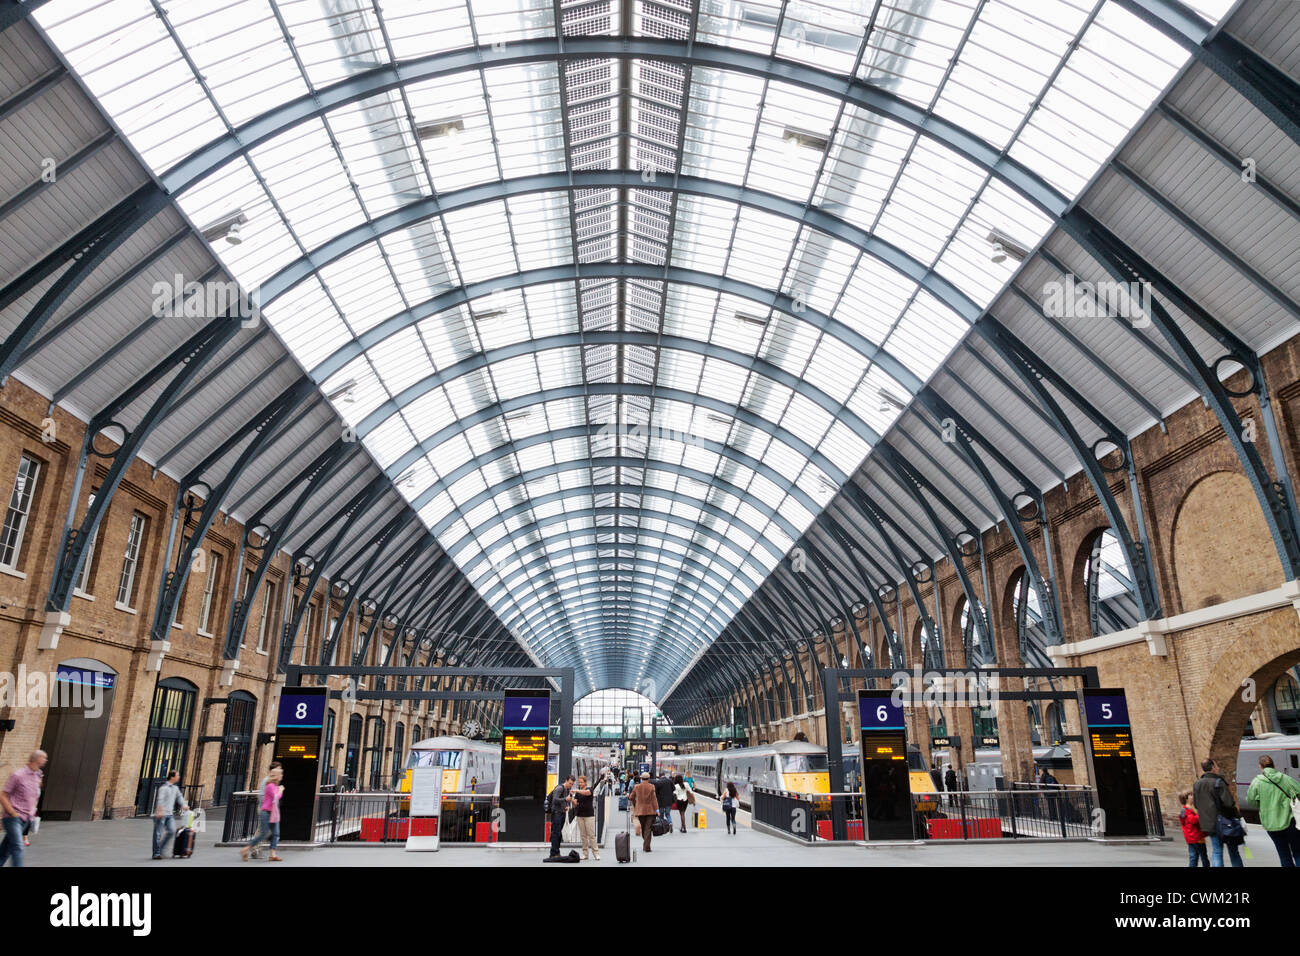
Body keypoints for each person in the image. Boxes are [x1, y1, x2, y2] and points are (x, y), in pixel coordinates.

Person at [1246, 754, 1300, 867]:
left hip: (1270, 823)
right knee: (1298, 852)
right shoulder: (1285, 778)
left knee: (1284, 854)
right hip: (1290, 821)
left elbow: (1251, 801)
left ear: (1260, 766)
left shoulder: (1256, 782)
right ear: (1273, 765)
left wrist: (1263, 804)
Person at [1193, 758, 1243, 867]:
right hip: (1225, 823)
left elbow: (1196, 804)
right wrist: (1237, 816)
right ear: (1212, 768)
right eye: (1216, 766)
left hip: (1208, 824)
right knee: (1233, 852)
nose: (1218, 768)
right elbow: (1229, 803)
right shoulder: (1218, 782)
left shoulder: (1197, 784)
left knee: (1217, 851)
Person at [0, 750, 46, 867]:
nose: (45, 760)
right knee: (17, 846)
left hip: (27, 818)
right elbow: (3, 795)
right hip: (13, 817)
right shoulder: (18, 775)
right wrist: (12, 812)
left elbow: (34, 795)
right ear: (36, 759)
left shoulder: (38, 775)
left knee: (6, 850)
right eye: (43, 758)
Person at [241, 766, 285, 862]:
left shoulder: (276, 786)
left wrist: (279, 789)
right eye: (281, 774)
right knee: (263, 834)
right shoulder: (269, 785)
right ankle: (245, 849)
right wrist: (281, 791)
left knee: (276, 834)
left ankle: (273, 854)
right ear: (277, 776)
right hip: (266, 812)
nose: (282, 776)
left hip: (273, 813)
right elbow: (276, 797)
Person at [152, 770, 189, 860]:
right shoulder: (163, 788)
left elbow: (179, 797)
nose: (179, 777)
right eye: (177, 775)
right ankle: (156, 853)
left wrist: (184, 805)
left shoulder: (175, 788)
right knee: (158, 834)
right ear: (172, 777)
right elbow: (160, 800)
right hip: (161, 814)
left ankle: (160, 849)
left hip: (169, 814)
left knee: (172, 831)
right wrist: (159, 810)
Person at [546, 774, 574, 860]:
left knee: (558, 833)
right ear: (566, 780)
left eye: (572, 784)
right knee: (556, 833)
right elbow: (555, 800)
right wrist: (565, 800)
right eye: (569, 783)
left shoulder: (566, 789)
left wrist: (566, 805)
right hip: (557, 813)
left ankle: (556, 852)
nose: (570, 785)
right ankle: (554, 852)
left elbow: (563, 800)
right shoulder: (560, 788)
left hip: (561, 813)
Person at [1179, 790, 1209, 867]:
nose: (1193, 796)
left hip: (1191, 838)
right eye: (1191, 795)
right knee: (1203, 857)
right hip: (1196, 837)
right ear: (1186, 799)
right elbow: (1193, 820)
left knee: (1194, 857)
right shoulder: (1186, 810)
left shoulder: (1190, 809)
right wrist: (1201, 814)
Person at [572, 774, 599, 860]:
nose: (580, 784)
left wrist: (576, 790)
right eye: (579, 782)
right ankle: (585, 853)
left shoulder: (589, 789)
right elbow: (575, 804)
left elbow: (587, 793)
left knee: (591, 835)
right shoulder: (578, 793)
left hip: (589, 815)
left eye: (581, 782)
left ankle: (596, 853)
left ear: (585, 782)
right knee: (583, 836)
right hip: (580, 815)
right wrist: (572, 799)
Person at [631, 771, 658, 853]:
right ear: (649, 779)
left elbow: (631, 797)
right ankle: (646, 845)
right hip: (650, 810)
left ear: (641, 778)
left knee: (644, 828)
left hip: (640, 810)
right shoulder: (651, 787)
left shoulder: (637, 787)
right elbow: (654, 799)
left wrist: (635, 804)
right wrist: (657, 809)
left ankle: (646, 846)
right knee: (648, 828)